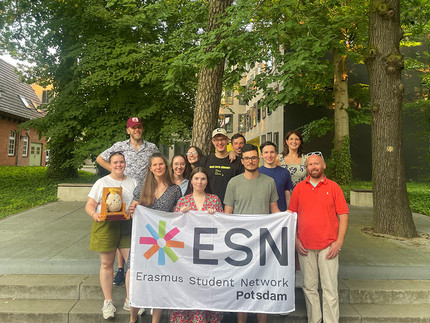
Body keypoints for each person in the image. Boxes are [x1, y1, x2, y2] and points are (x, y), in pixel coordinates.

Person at [96, 117, 159, 286]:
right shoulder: (120, 146)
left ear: (142, 129)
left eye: (139, 127)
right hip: (123, 191)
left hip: (144, 193)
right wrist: (115, 169)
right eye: (133, 128)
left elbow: (158, 165)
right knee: (121, 228)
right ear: (128, 130)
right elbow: (100, 158)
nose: (136, 130)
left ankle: (140, 266)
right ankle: (122, 268)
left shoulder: (152, 148)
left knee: (138, 230)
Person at [288, 152, 349, 323]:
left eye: (316, 164)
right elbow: (292, 215)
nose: (313, 167)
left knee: (330, 288)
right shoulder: (299, 188)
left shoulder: (333, 187)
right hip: (305, 246)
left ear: (323, 166)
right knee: (309, 287)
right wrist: (295, 240)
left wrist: (339, 242)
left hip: (328, 246)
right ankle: (314, 320)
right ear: (306, 168)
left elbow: (343, 215)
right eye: (310, 165)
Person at [224, 144, 280, 323]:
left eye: (253, 158)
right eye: (247, 158)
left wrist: (288, 218)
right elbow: (227, 213)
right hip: (240, 243)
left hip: (263, 241)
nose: (250, 161)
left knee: (261, 284)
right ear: (242, 161)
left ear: (259, 159)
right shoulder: (234, 182)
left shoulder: (269, 182)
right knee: (243, 285)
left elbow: (274, 209)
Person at [127, 152, 182, 323]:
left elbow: (178, 214)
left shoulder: (175, 189)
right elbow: (132, 210)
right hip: (144, 239)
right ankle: (132, 317)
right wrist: (131, 209)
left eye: (161, 164)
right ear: (150, 168)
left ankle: (156, 320)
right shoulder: (143, 187)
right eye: (155, 165)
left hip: (164, 242)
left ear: (166, 166)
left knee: (160, 279)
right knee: (137, 277)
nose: (158, 167)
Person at [85, 152, 137, 320]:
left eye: (121, 162)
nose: (118, 165)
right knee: (107, 264)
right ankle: (108, 302)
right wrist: (95, 215)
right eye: (115, 162)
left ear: (125, 163)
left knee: (131, 263)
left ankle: (130, 299)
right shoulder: (102, 182)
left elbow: (137, 202)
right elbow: (89, 205)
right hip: (105, 225)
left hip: (126, 225)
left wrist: (134, 207)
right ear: (110, 164)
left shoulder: (133, 182)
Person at [170, 167, 223, 323]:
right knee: (187, 288)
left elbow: (222, 228)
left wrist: (216, 216)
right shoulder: (183, 201)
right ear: (191, 181)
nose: (199, 182)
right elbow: (173, 229)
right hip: (186, 256)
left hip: (208, 255)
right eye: (196, 179)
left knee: (206, 289)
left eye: (203, 179)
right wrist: (181, 216)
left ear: (207, 182)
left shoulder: (214, 200)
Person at [203, 128, 244, 205]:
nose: (220, 142)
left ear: (227, 140)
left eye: (223, 139)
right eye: (216, 140)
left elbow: (242, 185)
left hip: (231, 206)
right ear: (212, 141)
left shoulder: (238, 161)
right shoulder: (206, 160)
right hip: (210, 206)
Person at [259, 141, 293, 211]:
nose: (269, 155)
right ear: (261, 155)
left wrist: (289, 211)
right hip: (262, 214)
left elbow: (287, 195)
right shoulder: (257, 173)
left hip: (280, 214)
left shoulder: (285, 173)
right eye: (266, 152)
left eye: (272, 152)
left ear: (276, 154)